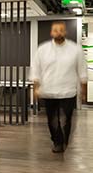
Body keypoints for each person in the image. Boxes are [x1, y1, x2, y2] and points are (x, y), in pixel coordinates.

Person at [30, 21, 87, 153]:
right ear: (51, 32)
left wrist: (83, 90)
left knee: (67, 119)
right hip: (48, 90)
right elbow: (36, 70)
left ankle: (64, 140)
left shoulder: (75, 49)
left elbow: (82, 70)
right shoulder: (43, 49)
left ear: (65, 32)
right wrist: (36, 88)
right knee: (52, 120)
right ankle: (57, 142)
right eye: (55, 30)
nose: (58, 33)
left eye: (61, 30)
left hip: (68, 91)